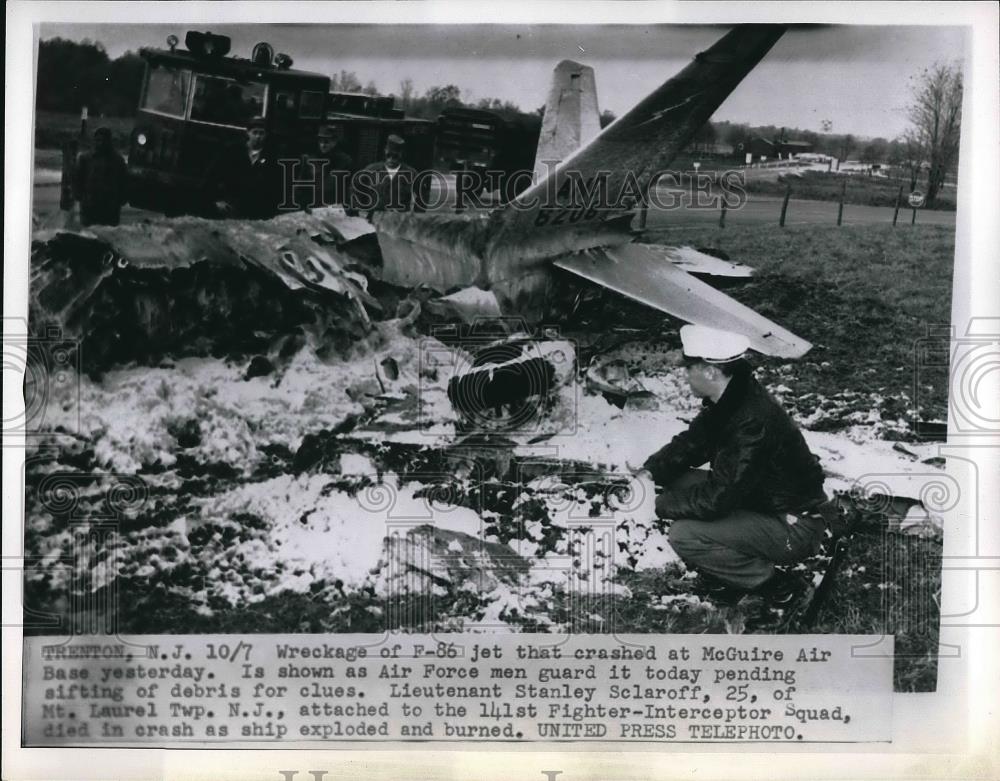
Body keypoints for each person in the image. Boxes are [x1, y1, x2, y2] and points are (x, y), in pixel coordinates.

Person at [638, 325, 834, 607]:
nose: (685, 375)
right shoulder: (731, 397)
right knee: (677, 482)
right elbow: (693, 443)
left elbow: (719, 499)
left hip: (794, 527)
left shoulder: (751, 421)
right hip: (762, 501)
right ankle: (731, 561)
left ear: (710, 372)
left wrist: (655, 505)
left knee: (683, 534)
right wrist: (649, 473)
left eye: (689, 368)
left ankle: (776, 585)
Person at [214, 117, 283, 219]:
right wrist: (218, 199)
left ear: (266, 135)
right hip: (232, 206)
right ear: (248, 133)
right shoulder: (233, 151)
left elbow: (276, 187)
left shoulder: (272, 158)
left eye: (261, 133)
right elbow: (215, 175)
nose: (258, 136)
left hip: (257, 210)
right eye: (255, 132)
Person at [72, 127, 129, 226]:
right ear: (95, 141)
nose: (101, 143)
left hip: (110, 207)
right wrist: (79, 195)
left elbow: (124, 181)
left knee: (107, 235)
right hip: (90, 205)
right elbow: (78, 179)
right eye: (98, 140)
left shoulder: (118, 160)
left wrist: (122, 199)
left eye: (104, 140)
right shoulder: (85, 158)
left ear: (109, 141)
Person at [354, 134, 419, 218]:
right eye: (388, 155)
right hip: (373, 219)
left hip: (399, 221)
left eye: (395, 156)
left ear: (401, 154)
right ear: (385, 151)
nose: (391, 159)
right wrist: (360, 210)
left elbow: (421, 195)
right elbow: (355, 188)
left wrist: (415, 215)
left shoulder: (411, 173)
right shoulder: (371, 170)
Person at [315, 124, 354, 206]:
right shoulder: (314, 159)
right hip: (315, 205)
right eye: (320, 141)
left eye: (326, 141)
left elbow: (350, 187)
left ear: (334, 142)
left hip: (336, 206)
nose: (322, 145)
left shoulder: (345, 161)